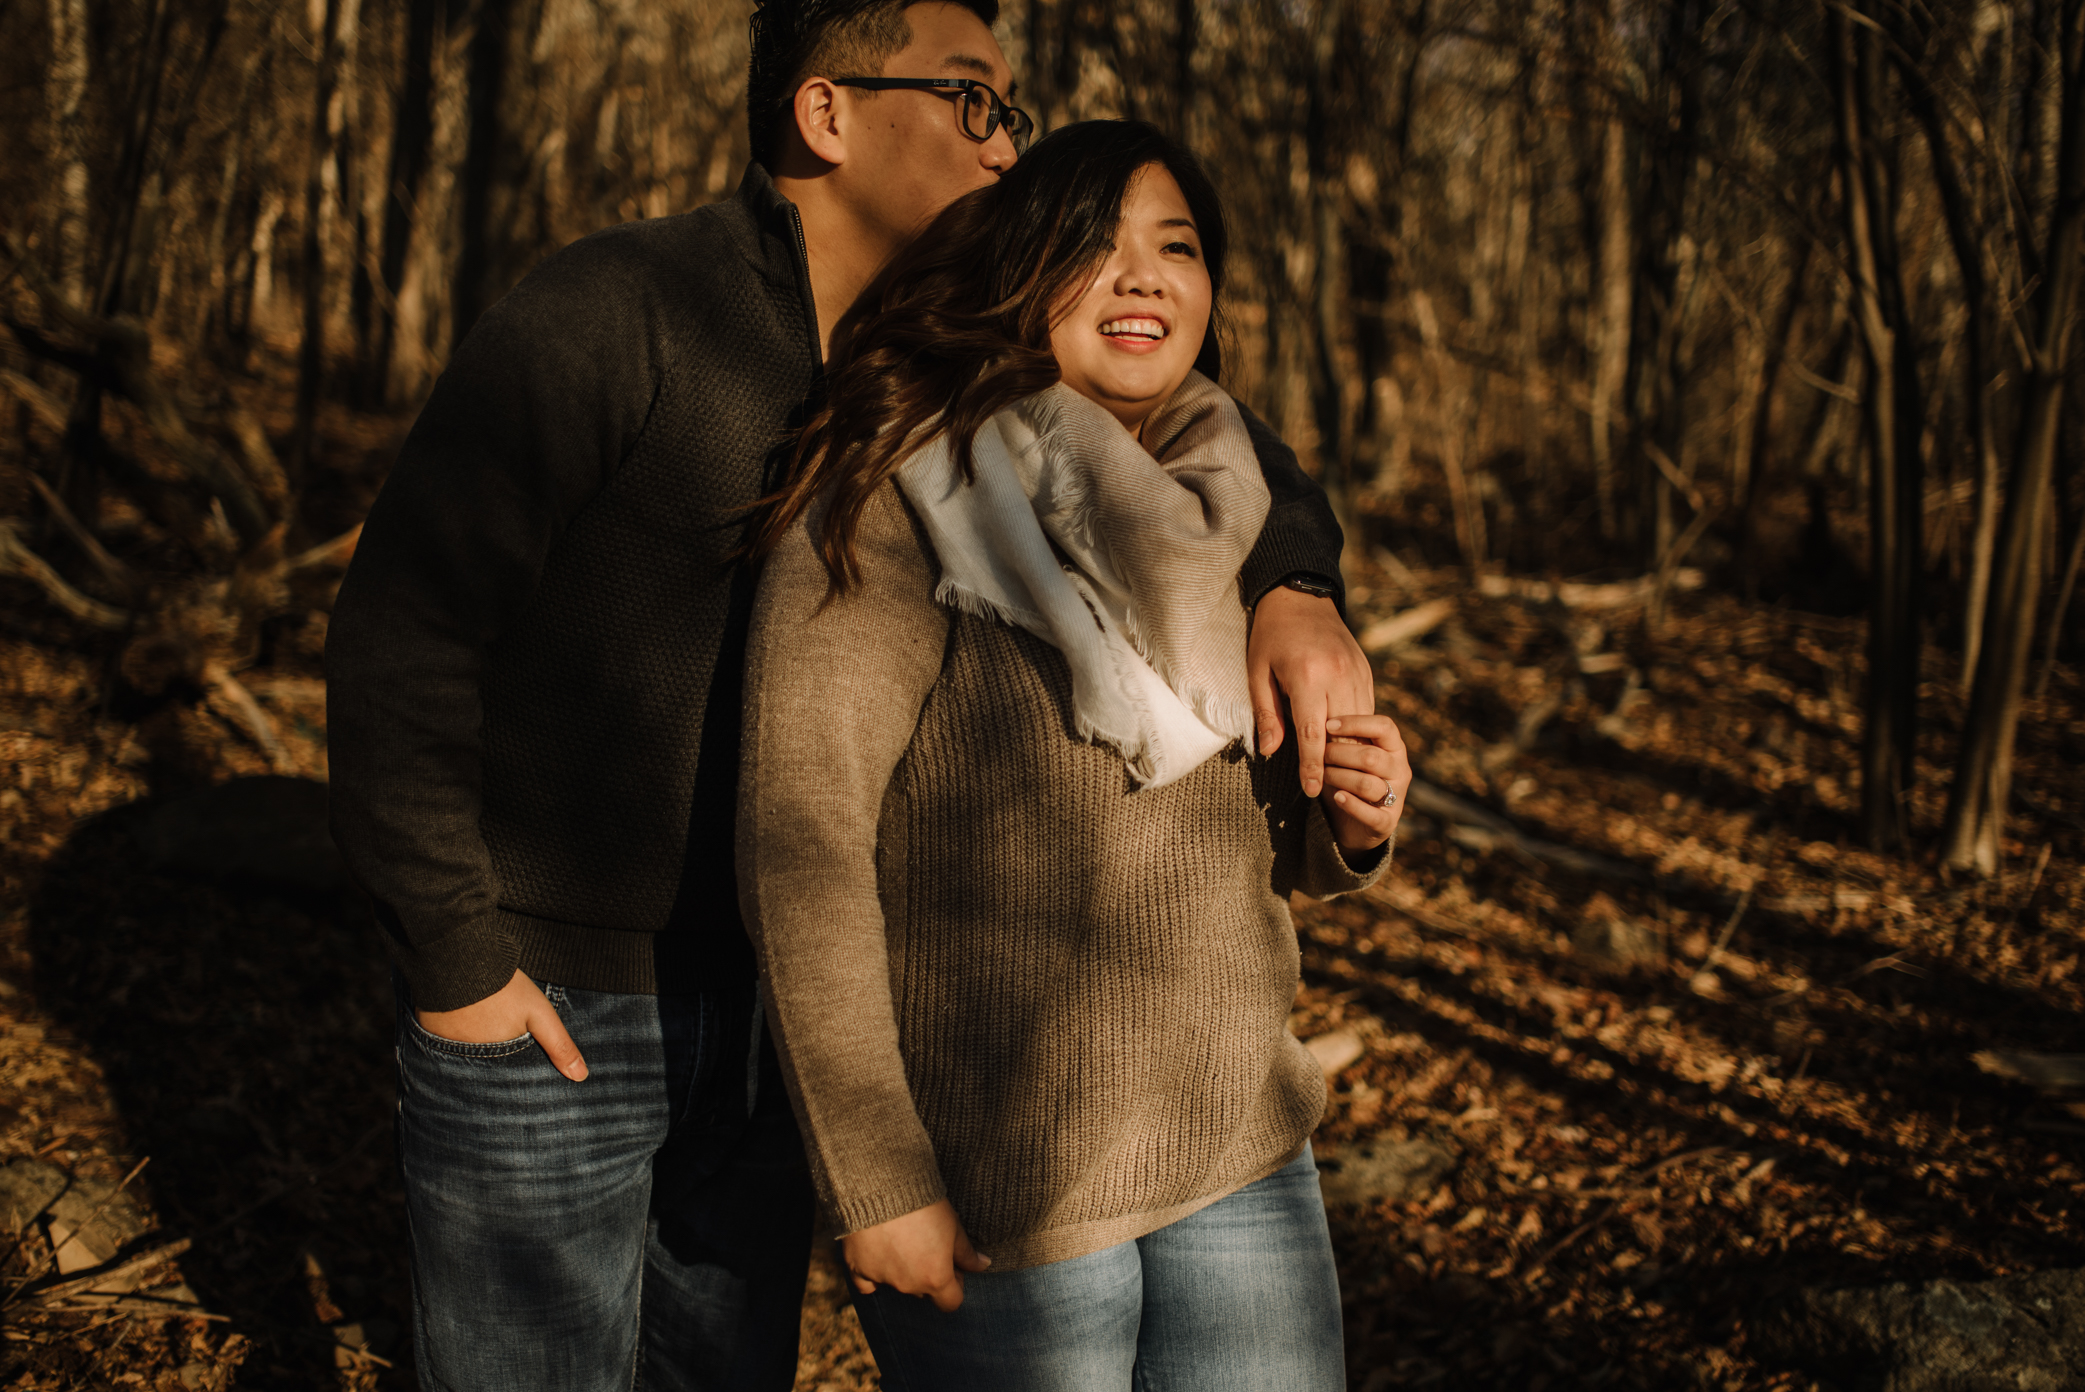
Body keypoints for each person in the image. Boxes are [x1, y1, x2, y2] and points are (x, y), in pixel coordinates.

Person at [325, 0, 1370, 1386]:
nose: (1007, 146)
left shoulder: (963, 354)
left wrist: (1296, 577)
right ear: (826, 115)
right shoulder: (625, 311)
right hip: (558, 992)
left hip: (774, 1011)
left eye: (1011, 109)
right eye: (972, 102)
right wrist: (459, 962)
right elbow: (403, 637)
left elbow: (1212, 442)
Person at [737, 118, 1410, 1391]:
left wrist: (1353, 824)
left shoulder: (1241, 507)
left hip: (1245, 1153)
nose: (1145, 276)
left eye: (1178, 247)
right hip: (1014, 1199)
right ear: (1016, 271)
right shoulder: (897, 492)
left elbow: (1262, 846)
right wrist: (873, 1174)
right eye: (1093, 248)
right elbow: (800, 833)